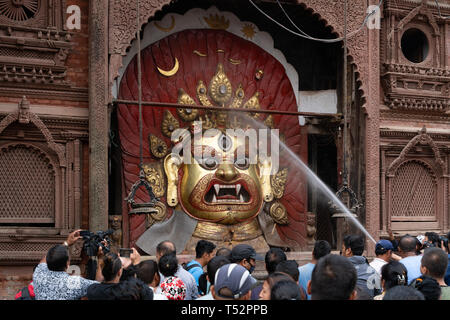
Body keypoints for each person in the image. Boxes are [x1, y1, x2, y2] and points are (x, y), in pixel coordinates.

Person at [33, 229, 100, 300]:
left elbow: (44, 260)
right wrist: (101, 258)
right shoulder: (74, 283)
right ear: (67, 264)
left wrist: (67, 243)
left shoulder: (39, 274)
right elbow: (101, 289)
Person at [86, 252, 153, 300]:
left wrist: (100, 258)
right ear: (119, 272)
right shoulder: (126, 293)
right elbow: (148, 294)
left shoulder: (92, 290)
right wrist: (136, 264)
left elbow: (99, 283)